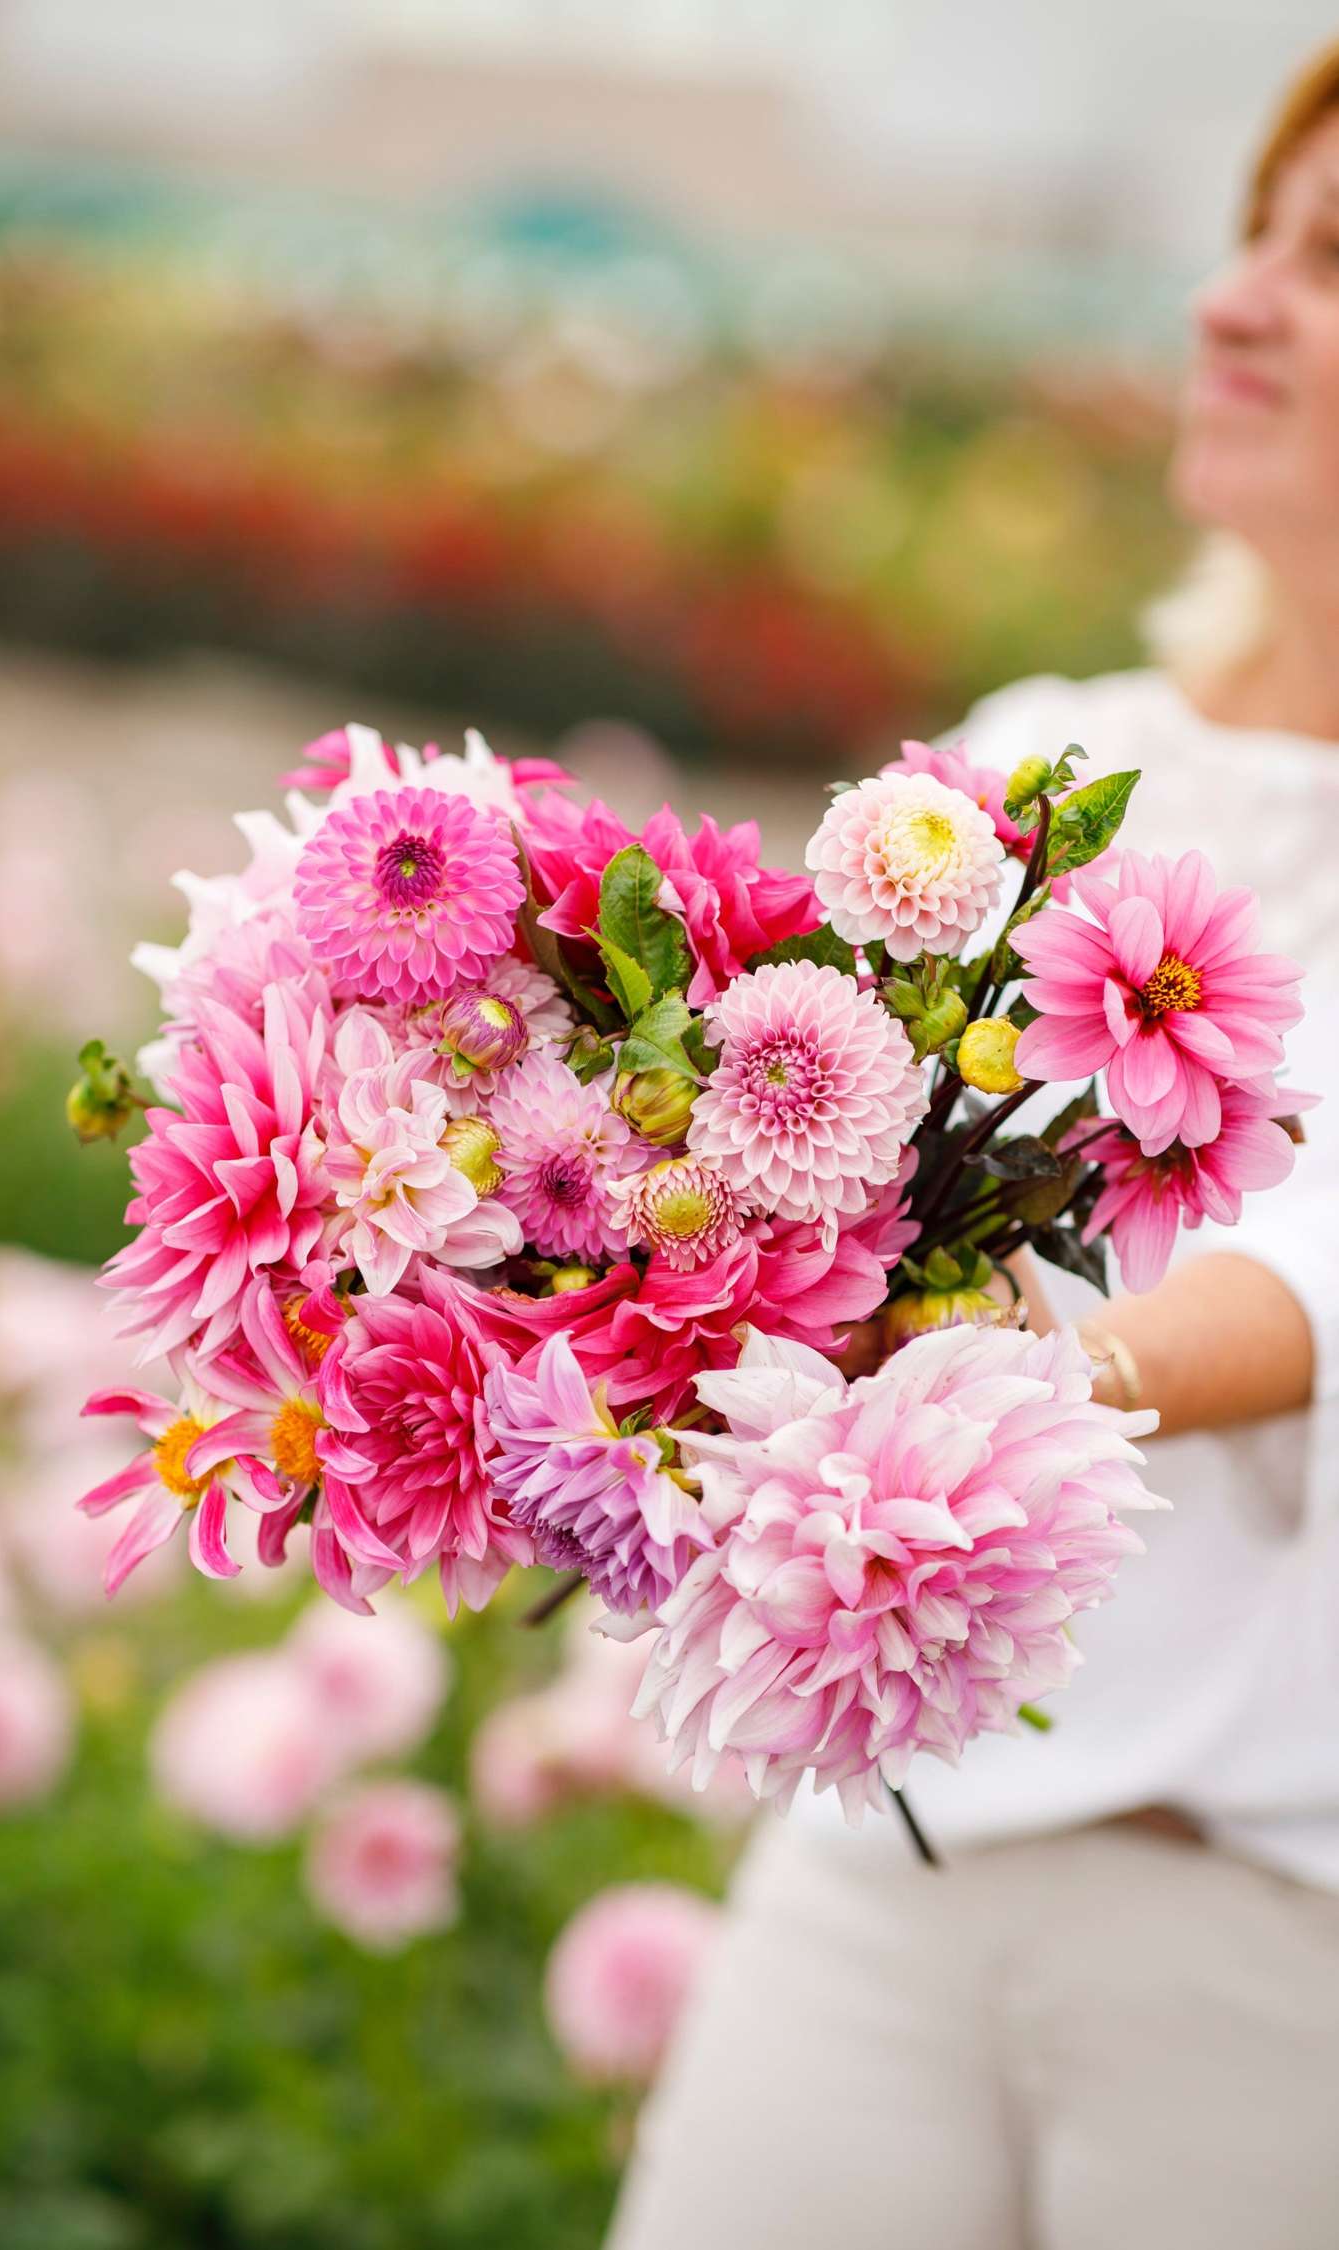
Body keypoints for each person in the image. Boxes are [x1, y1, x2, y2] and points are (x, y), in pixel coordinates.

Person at [608, 42, 1339, 2250]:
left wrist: (976, 1384)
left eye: (1333, 267)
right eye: (1257, 236)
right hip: (888, 1855)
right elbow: (759, 1160)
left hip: (1274, 1929)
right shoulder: (1039, 773)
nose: (1232, 300)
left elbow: (1299, 1281)